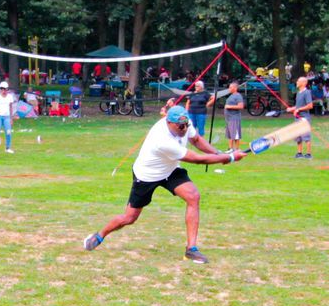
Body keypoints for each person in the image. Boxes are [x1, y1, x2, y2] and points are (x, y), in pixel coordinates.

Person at [82, 104, 246, 264]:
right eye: (180, 126)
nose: (184, 129)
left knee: (193, 196)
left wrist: (219, 153)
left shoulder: (184, 123)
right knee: (129, 217)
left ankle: (191, 249)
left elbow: (196, 139)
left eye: (186, 125)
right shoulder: (162, 139)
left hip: (170, 170)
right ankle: (100, 235)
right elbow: (196, 159)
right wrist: (228, 158)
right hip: (147, 175)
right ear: (169, 123)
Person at [289, 76, 315, 159]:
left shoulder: (307, 92)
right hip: (297, 118)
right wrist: (292, 109)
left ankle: (308, 154)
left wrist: (299, 109)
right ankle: (299, 153)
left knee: (306, 136)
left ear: (304, 83)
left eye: (298, 81)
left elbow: (310, 105)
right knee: (298, 136)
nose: (297, 82)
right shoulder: (298, 93)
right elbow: (298, 106)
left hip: (304, 118)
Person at [221, 79, 246, 151]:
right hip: (229, 118)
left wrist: (229, 107)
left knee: (235, 134)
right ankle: (230, 148)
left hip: (234, 118)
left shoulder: (238, 96)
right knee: (230, 134)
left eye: (230, 87)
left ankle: (237, 149)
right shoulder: (231, 96)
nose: (229, 89)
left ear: (235, 88)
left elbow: (241, 106)